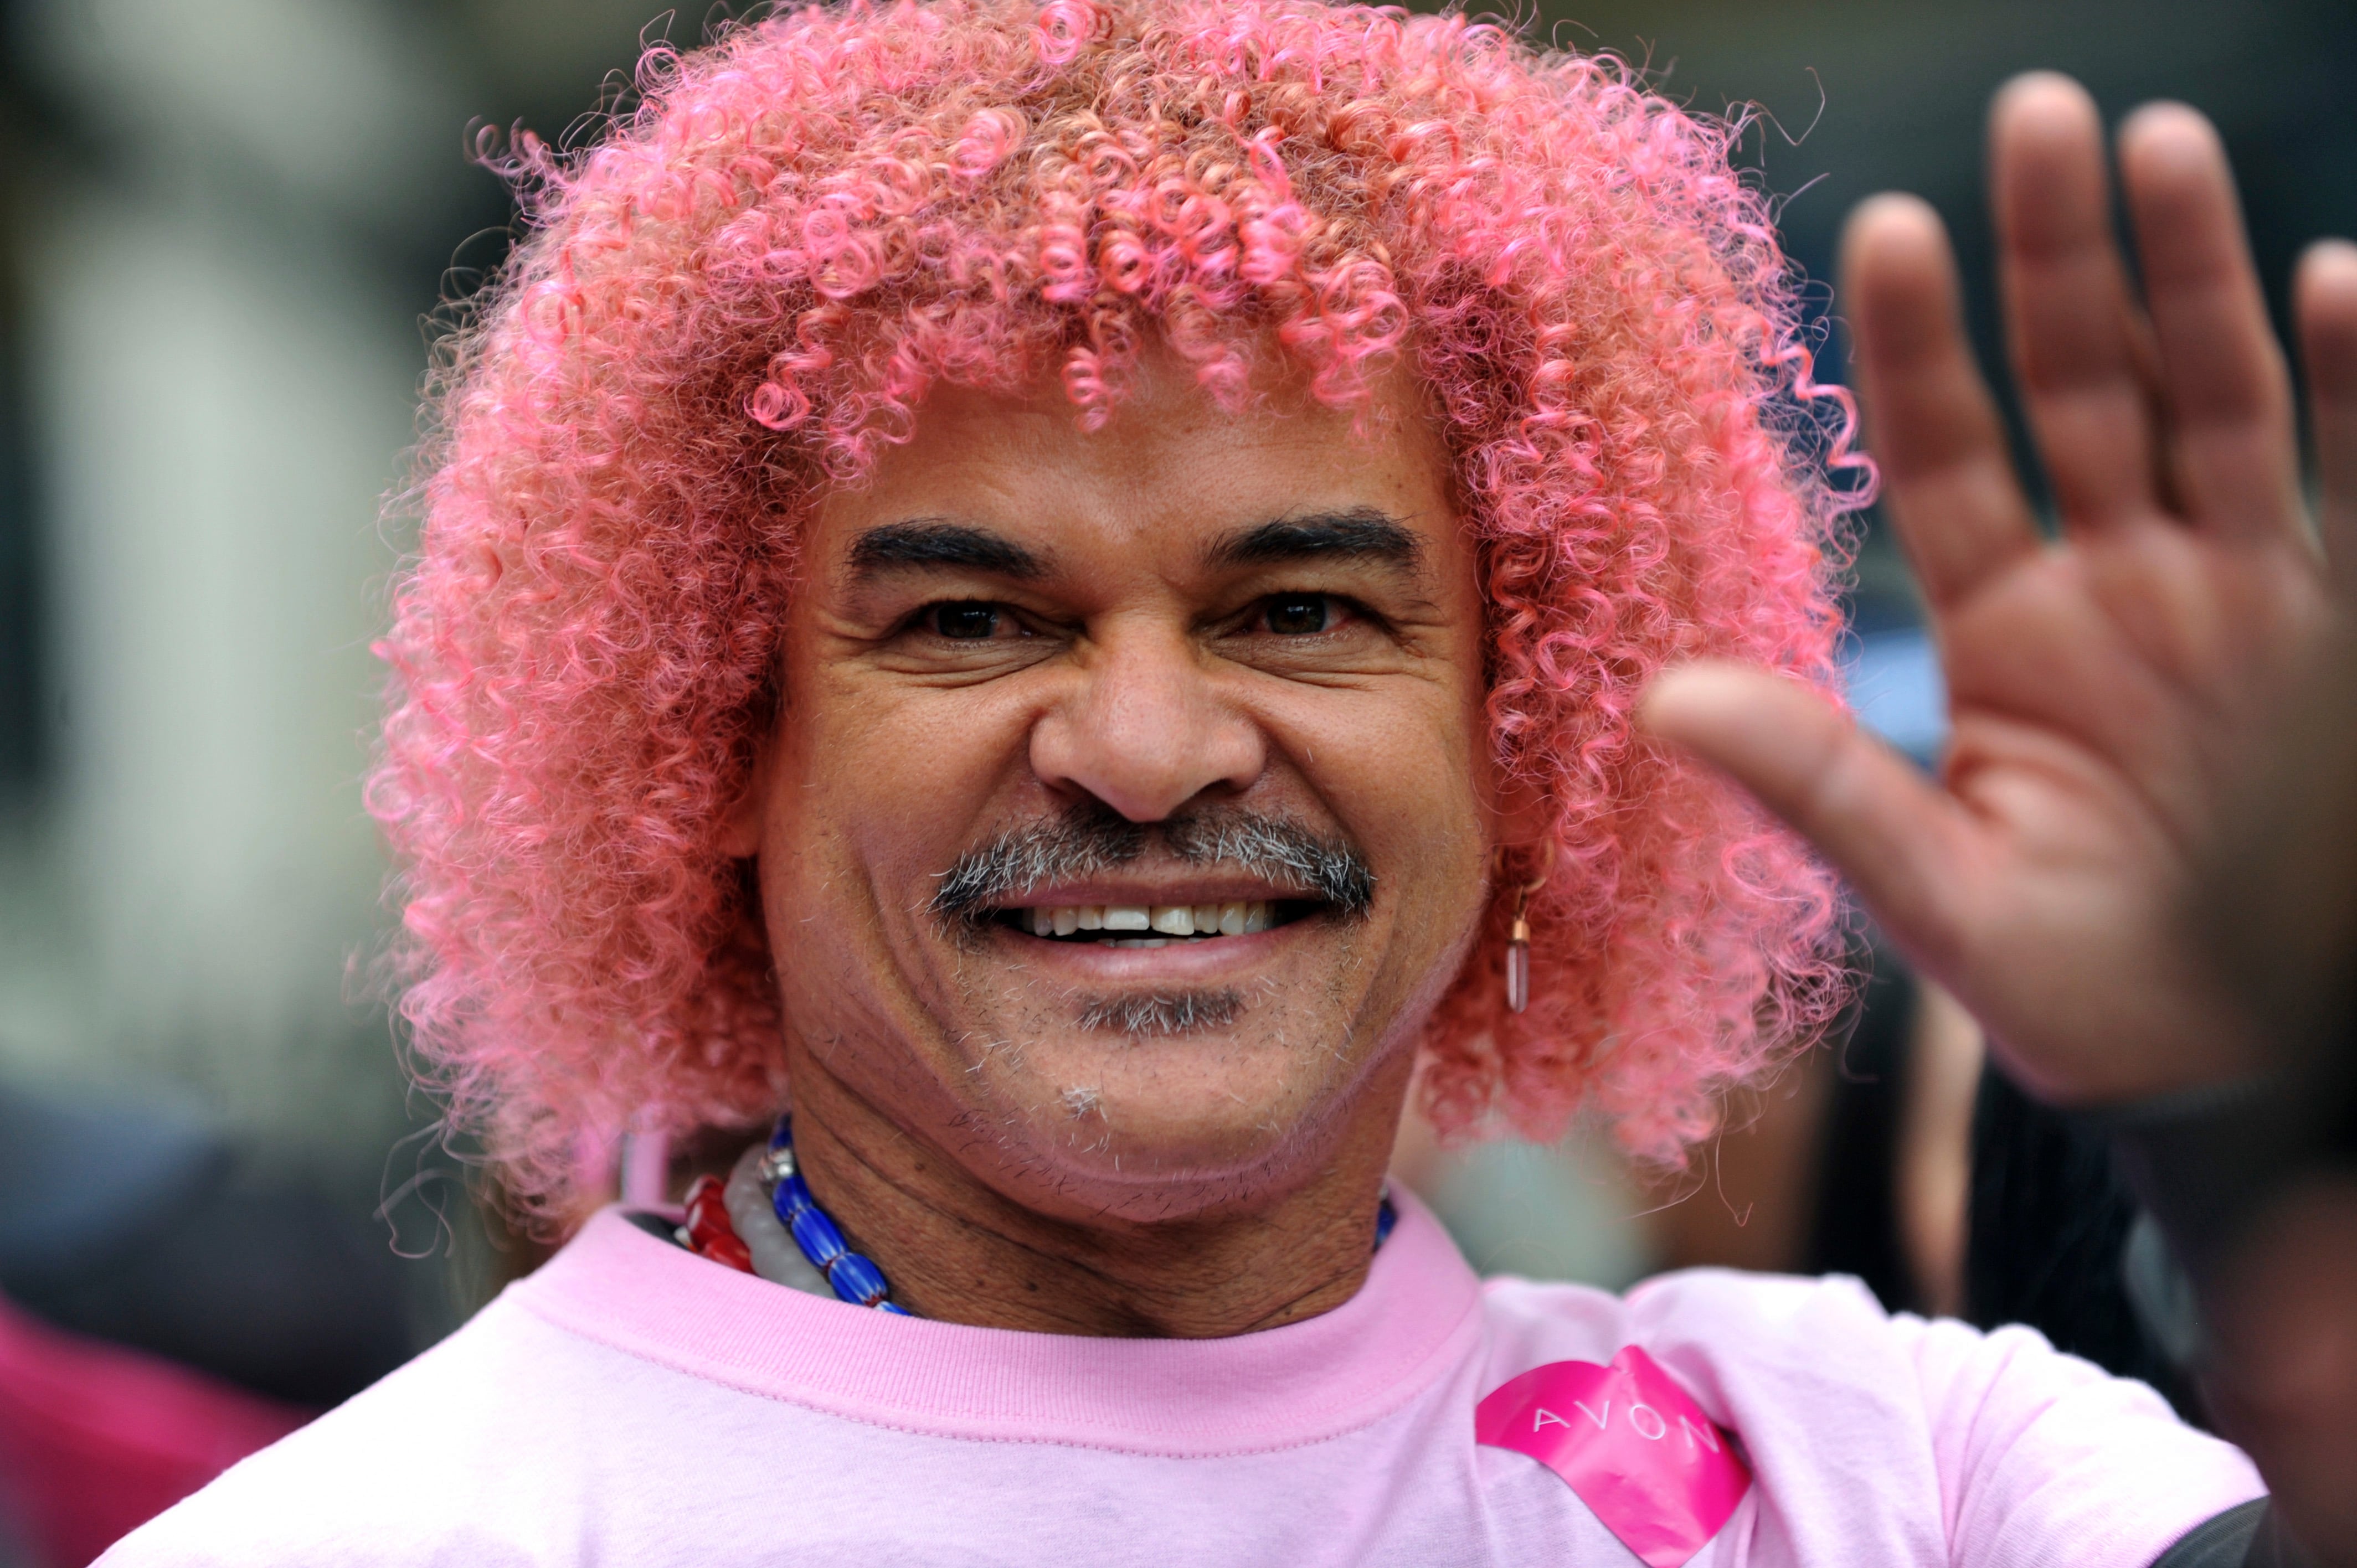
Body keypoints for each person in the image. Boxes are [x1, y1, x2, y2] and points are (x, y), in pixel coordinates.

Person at [100, 0, 2356, 1561]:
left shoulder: (1865, 1481)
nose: (1151, 748)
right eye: (972, 621)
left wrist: (2241, 1099)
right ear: (713, 737)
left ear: (1527, 723)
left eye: (1297, 612)